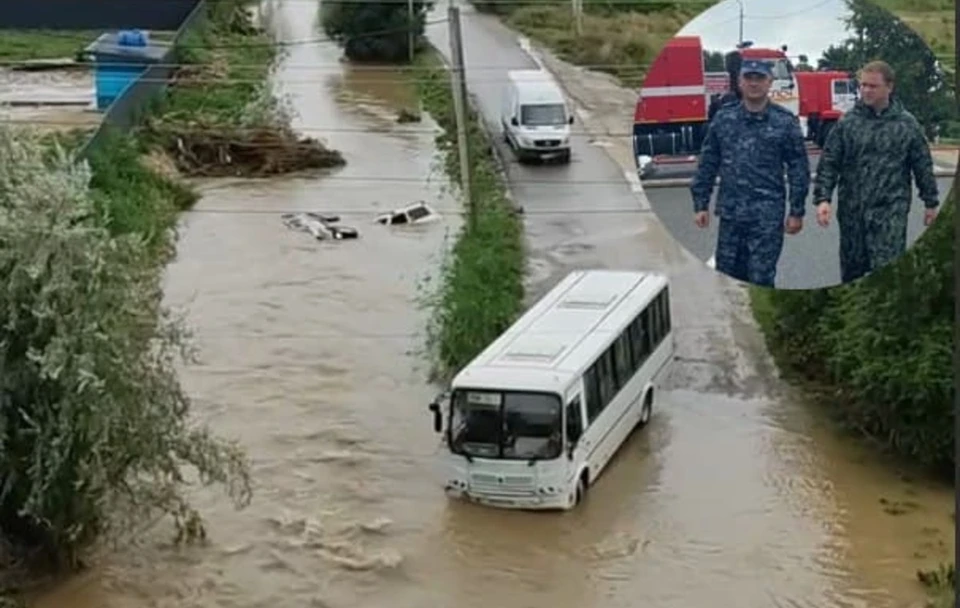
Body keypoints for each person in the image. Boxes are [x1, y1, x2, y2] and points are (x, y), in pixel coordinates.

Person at [812, 60, 940, 284]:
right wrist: (823, 199)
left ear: (889, 87)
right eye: (863, 85)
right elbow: (830, 162)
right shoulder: (848, 123)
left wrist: (930, 202)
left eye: (873, 86)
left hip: (890, 211)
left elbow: (922, 164)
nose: (866, 90)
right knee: (853, 274)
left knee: (886, 274)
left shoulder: (906, 124)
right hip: (853, 212)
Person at [690, 59, 811, 288]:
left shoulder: (784, 122)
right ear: (739, 82)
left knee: (761, 278)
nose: (754, 83)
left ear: (769, 82)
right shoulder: (724, 119)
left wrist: (797, 211)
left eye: (760, 78)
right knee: (726, 278)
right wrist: (700, 203)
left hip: (767, 216)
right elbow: (708, 162)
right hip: (731, 214)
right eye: (748, 78)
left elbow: (798, 168)